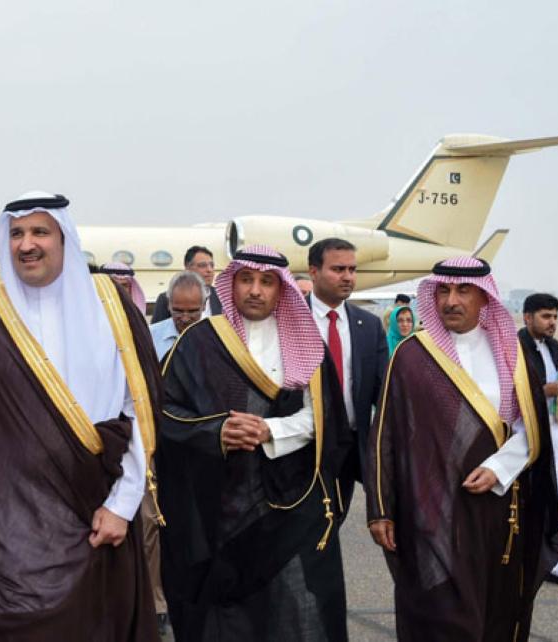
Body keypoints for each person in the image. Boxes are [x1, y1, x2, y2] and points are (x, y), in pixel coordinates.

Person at [0, 192, 161, 641]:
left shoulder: (110, 304)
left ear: (64, 238)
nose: (26, 244)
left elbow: (140, 410)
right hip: (4, 522)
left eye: (39, 232)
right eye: (16, 233)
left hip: (97, 508)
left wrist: (123, 505)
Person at [158, 244, 352, 641]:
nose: (255, 291)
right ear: (231, 285)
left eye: (267, 282)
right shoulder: (200, 341)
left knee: (297, 609)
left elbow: (325, 420)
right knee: (223, 615)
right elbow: (165, 413)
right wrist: (215, 432)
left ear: (281, 290)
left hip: (291, 504)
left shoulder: (306, 342)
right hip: (220, 508)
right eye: (246, 279)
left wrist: (270, 431)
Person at [366, 256, 558, 641]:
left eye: (463, 291)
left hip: (499, 511)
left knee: (495, 612)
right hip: (429, 512)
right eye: (443, 290)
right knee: (440, 615)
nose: (450, 301)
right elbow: (384, 434)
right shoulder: (411, 354)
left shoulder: (515, 354)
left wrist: (500, 467)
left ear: (485, 297)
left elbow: (530, 426)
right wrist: (380, 508)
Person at [306, 238, 388, 510]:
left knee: (336, 516)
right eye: (338, 269)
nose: (348, 277)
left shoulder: (369, 325)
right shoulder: (292, 319)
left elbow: (384, 391)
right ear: (314, 272)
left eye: (352, 270)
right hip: (304, 445)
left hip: (351, 446)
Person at [517, 292, 558, 591]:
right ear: (527, 317)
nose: (552, 322)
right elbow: (511, 394)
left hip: (557, 431)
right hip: (523, 434)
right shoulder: (516, 348)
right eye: (545, 316)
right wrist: (547, 390)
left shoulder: (555, 347)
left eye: (555, 316)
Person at [151, 246, 222, 322]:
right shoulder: (166, 299)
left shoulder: (221, 297)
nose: (209, 270)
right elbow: (157, 331)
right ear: (187, 268)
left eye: (212, 265)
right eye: (202, 265)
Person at [149, 271, 206, 361]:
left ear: (204, 305)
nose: (185, 318)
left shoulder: (216, 338)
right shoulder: (150, 337)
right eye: (178, 311)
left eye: (192, 311)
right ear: (168, 304)